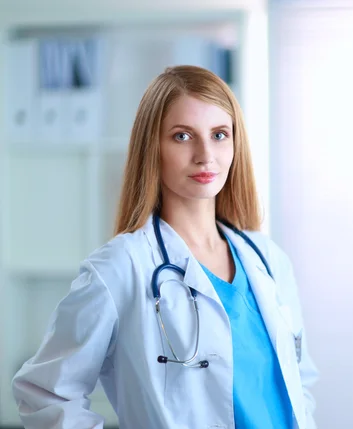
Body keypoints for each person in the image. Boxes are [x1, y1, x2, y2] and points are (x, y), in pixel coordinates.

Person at [12, 65, 319, 429]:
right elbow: (45, 394)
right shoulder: (120, 268)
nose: (206, 155)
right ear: (152, 147)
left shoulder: (267, 259)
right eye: (182, 137)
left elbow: (299, 382)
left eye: (220, 134)